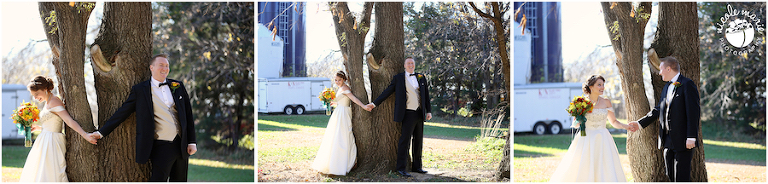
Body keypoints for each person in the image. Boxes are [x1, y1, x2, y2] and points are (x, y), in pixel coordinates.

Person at [88, 54, 197, 181]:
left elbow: (188, 115)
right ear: (152, 67)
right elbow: (122, 113)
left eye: (167, 66)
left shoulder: (177, 86)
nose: (165, 68)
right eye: (161, 65)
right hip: (161, 145)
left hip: (181, 145)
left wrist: (192, 142)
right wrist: (101, 133)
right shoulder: (141, 90)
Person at [549, 75, 636, 182]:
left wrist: (625, 126)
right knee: (584, 165)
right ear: (591, 87)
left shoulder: (606, 102)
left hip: (603, 139)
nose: (602, 87)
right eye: (599, 85)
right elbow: (575, 124)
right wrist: (579, 116)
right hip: (586, 138)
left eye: (603, 85)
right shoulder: (581, 103)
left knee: (605, 166)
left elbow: (613, 121)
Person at [629, 56, 700, 182]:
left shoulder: (687, 84)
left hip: (684, 140)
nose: (660, 72)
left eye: (661, 69)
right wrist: (640, 123)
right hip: (667, 140)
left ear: (668, 69)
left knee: (681, 178)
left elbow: (693, 113)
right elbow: (658, 109)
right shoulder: (667, 87)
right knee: (670, 175)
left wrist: (691, 137)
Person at [19, 76, 98, 182]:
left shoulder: (54, 101)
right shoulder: (48, 102)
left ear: (45, 89)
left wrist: (85, 135)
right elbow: (52, 123)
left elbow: (69, 121)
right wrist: (38, 127)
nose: (36, 98)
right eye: (34, 95)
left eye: (37, 94)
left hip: (52, 142)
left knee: (52, 171)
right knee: (40, 171)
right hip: (44, 140)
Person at [365, 57, 432, 177]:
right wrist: (374, 104)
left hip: (420, 113)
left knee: (418, 141)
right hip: (408, 113)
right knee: (404, 141)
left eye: (412, 63)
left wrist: (429, 111)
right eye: (408, 63)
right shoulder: (399, 78)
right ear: (404, 65)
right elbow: (387, 92)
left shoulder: (421, 77)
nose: (411, 65)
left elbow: (426, 95)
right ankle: (401, 168)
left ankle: (417, 167)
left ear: (414, 65)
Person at [311, 71, 371, 175]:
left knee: (342, 136)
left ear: (344, 79)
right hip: (338, 112)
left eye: (339, 80)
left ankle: (343, 164)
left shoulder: (345, 88)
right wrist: (333, 102)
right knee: (334, 136)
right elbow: (342, 100)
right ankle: (331, 162)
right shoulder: (340, 89)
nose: (337, 82)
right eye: (336, 80)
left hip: (344, 113)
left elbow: (353, 99)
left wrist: (364, 106)